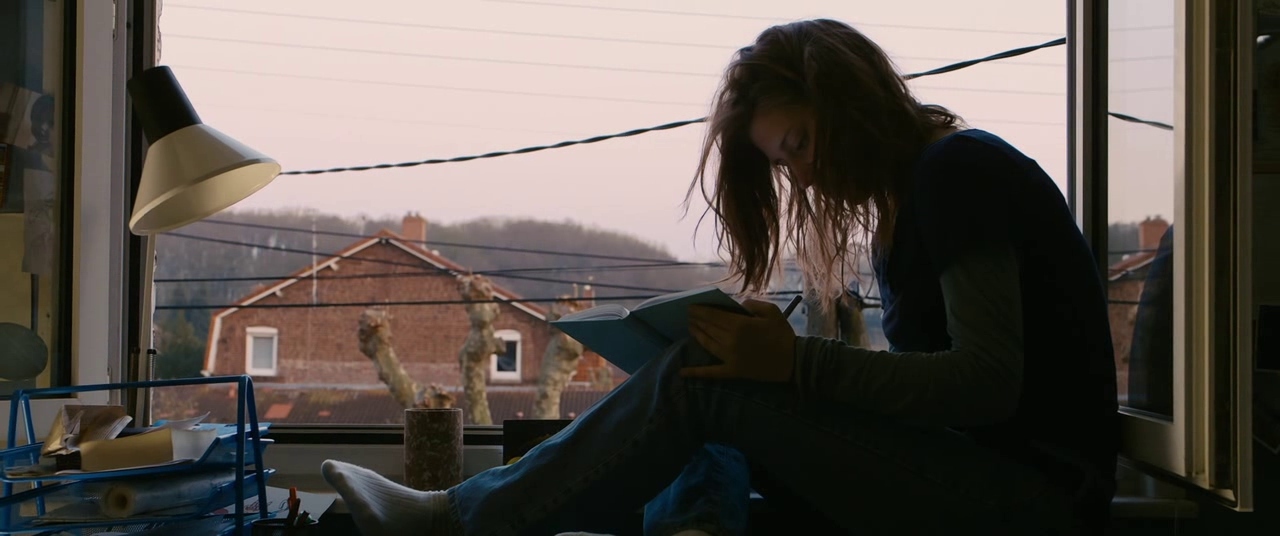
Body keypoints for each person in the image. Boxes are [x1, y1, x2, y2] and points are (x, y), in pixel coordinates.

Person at [322, 18, 1119, 535]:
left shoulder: (960, 175)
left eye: (800, 144)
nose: (800, 179)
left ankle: (456, 521)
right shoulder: (916, 196)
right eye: (784, 162)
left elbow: (987, 386)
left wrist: (795, 366)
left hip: (1032, 502)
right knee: (715, 381)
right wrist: (778, 365)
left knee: (709, 387)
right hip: (984, 481)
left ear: (851, 100)